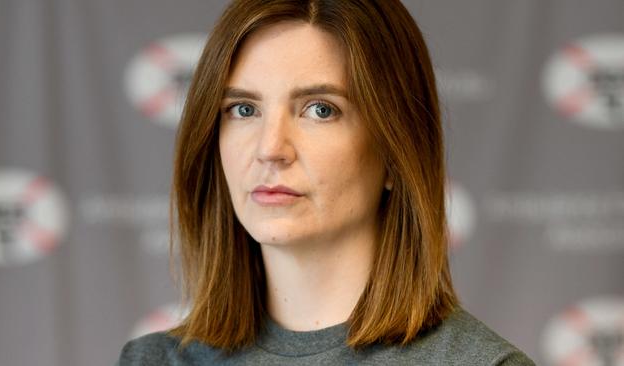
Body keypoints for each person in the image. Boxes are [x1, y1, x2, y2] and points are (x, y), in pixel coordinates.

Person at [117, 0, 536, 364]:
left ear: (395, 153)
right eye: (244, 110)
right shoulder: (151, 361)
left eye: (319, 109)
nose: (270, 148)